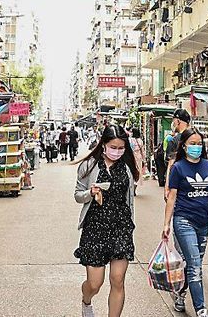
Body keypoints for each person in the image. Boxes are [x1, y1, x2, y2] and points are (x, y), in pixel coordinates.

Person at [73, 125, 140, 317]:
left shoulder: (126, 168)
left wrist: (130, 226)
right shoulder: (89, 166)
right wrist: (90, 193)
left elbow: (129, 201)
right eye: (113, 147)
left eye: (121, 148)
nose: (117, 152)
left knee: (118, 280)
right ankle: (86, 301)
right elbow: (78, 195)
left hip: (121, 228)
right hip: (95, 228)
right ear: (103, 144)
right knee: (95, 283)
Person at [162, 128, 208, 317]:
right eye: (192, 143)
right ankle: (201, 310)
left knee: (193, 265)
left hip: (203, 223)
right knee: (195, 265)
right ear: (184, 146)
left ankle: (180, 294)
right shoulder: (178, 168)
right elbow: (172, 197)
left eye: (199, 143)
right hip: (183, 221)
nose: (196, 147)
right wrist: (166, 224)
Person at [163, 109, 192, 197]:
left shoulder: (174, 141)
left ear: (178, 121)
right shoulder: (196, 138)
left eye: (173, 120)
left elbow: (170, 165)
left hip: (178, 183)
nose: (173, 123)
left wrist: (167, 187)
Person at [129, 129, 146, 196]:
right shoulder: (140, 141)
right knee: (138, 174)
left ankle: (131, 187)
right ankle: (134, 188)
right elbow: (143, 151)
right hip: (138, 158)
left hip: (131, 158)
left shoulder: (130, 140)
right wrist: (144, 160)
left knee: (131, 172)